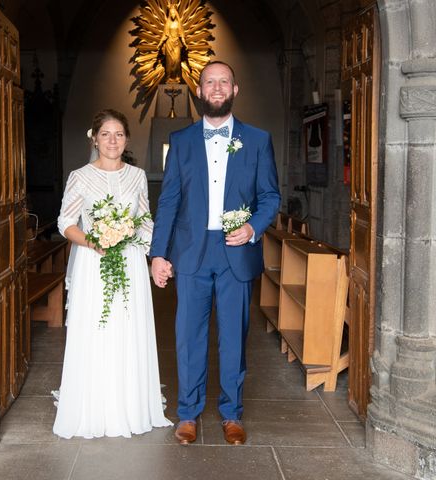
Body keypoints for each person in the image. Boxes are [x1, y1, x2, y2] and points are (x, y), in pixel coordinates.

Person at [150, 61, 280, 445]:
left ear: (235, 90)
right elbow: (169, 200)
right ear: (200, 91)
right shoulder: (182, 140)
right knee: (188, 336)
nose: (218, 88)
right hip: (190, 252)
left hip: (235, 254)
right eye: (210, 82)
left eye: (224, 82)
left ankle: (231, 413)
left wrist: (253, 227)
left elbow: (270, 196)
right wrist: (159, 253)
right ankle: (188, 414)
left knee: (233, 338)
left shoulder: (257, 140)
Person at [53, 109, 172, 439]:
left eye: (119, 134)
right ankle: (95, 403)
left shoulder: (136, 176)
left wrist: (153, 257)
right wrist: (93, 241)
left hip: (131, 263)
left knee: (128, 328)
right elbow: (66, 223)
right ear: (94, 138)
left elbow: (145, 221)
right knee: (98, 328)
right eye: (105, 134)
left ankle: (131, 401)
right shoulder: (80, 176)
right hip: (94, 264)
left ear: (127, 139)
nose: (112, 140)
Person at [157, 2, 187, 83]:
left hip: (176, 44)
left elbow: (181, 35)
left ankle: (177, 77)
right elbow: (164, 35)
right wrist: (160, 44)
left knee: (177, 61)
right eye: (171, 13)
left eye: (174, 13)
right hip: (169, 44)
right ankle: (168, 78)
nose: (173, 14)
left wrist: (184, 43)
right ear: (170, 14)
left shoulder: (178, 24)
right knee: (169, 62)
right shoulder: (168, 24)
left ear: (176, 13)